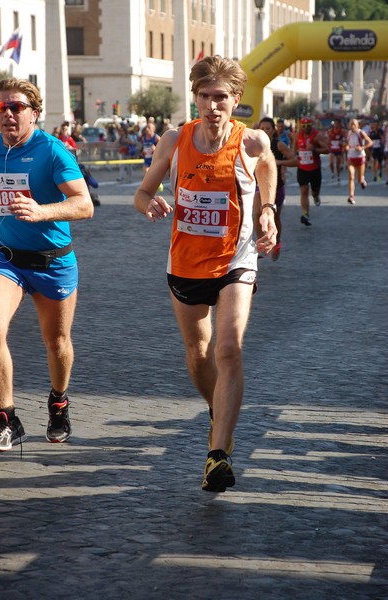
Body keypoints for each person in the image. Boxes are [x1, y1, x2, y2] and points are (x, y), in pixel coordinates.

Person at [134, 55, 277, 493]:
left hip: (237, 259)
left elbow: (268, 166)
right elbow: (143, 192)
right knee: (199, 353)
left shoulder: (251, 141)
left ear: (236, 99)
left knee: (228, 349)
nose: (213, 106)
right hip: (186, 262)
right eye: (205, 97)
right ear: (195, 98)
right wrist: (149, 203)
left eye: (221, 97)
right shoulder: (175, 140)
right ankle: (220, 410)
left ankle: (218, 454)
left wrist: (267, 211)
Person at [0, 77, 94, 452]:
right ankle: (7, 417)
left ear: (35, 113)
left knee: (57, 342)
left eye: (17, 107)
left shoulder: (53, 152)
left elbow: (84, 204)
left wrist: (41, 211)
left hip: (53, 263)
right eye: (2, 107)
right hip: (4, 259)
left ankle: (59, 402)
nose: (9, 114)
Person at [253, 117, 297, 261]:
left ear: (273, 131)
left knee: (274, 216)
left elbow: (295, 160)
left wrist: (278, 162)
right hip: (258, 184)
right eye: (262, 128)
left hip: (276, 186)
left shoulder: (279, 145)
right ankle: (261, 244)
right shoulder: (253, 144)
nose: (265, 131)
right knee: (257, 213)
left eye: (268, 128)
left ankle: (277, 242)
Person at [292, 116, 329, 226]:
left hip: (314, 169)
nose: (305, 128)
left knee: (314, 191)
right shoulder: (297, 135)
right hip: (302, 168)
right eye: (303, 126)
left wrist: (315, 149)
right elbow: (293, 150)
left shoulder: (317, 136)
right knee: (303, 191)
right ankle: (305, 214)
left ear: (311, 126)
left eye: (308, 126)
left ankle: (316, 196)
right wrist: (295, 156)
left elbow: (327, 149)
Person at [345, 118, 373, 205]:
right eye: (351, 124)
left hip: (360, 157)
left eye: (354, 124)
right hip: (351, 157)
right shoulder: (348, 133)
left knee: (359, 179)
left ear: (357, 125)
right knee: (351, 176)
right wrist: (346, 147)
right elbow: (347, 143)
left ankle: (362, 181)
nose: (352, 126)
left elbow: (370, 142)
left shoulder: (360, 133)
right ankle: (351, 196)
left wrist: (362, 147)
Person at [328, 118, 345, 184]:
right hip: (332, 149)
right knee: (331, 162)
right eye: (334, 123)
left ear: (339, 124)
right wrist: (328, 145)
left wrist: (343, 145)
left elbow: (345, 139)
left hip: (339, 149)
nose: (335, 125)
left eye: (336, 123)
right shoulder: (330, 131)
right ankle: (332, 173)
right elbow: (328, 140)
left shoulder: (342, 131)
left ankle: (338, 175)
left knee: (338, 164)